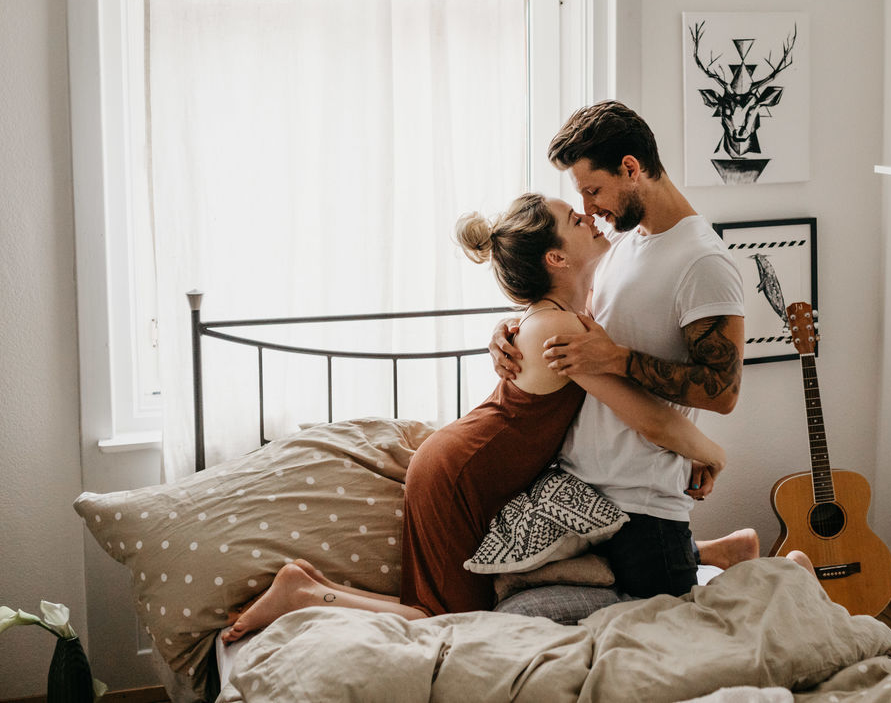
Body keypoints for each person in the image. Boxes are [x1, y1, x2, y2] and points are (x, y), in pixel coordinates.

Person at [221, 192, 732, 643]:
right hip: (460, 476)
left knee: (441, 608)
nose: (591, 217)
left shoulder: (565, 315)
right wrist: (711, 452)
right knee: (447, 623)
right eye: (576, 219)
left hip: (466, 466)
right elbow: (649, 418)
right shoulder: (556, 329)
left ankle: (310, 587)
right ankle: (304, 598)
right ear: (555, 257)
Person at [491, 101, 752, 600]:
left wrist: (618, 359)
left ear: (631, 169)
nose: (589, 209)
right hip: (584, 496)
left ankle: (788, 574)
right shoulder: (622, 244)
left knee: (669, 643)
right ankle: (721, 553)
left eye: (593, 190)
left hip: (647, 507)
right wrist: (509, 330)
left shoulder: (704, 262)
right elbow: (577, 323)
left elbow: (722, 392)